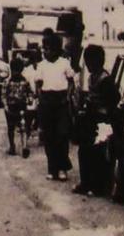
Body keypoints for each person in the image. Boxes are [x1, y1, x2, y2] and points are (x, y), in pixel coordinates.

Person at [73, 45, 120, 196]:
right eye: (86, 61)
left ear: (99, 61)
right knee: (84, 151)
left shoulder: (106, 79)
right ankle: (86, 183)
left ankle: (98, 186)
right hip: (91, 119)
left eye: (91, 61)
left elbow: (113, 100)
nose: (88, 65)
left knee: (98, 153)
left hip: (102, 121)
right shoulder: (91, 77)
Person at [34, 33, 75, 181]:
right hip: (46, 102)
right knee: (49, 137)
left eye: (49, 49)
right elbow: (38, 84)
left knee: (62, 136)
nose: (46, 52)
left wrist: (68, 96)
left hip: (61, 102)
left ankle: (63, 168)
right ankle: (52, 169)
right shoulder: (41, 65)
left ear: (57, 50)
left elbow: (71, 82)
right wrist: (40, 98)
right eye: (44, 49)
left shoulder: (64, 63)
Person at [2, 58, 33, 157]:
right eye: (14, 70)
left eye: (18, 70)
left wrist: (30, 100)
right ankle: (12, 146)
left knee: (23, 127)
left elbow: (30, 93)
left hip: (22, 107)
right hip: (10, 108)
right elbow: (3, 95)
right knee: (10, 127)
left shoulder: (25, 81)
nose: (16, 73)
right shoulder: (7, 82)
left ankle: (24, 147)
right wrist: (6, 105)